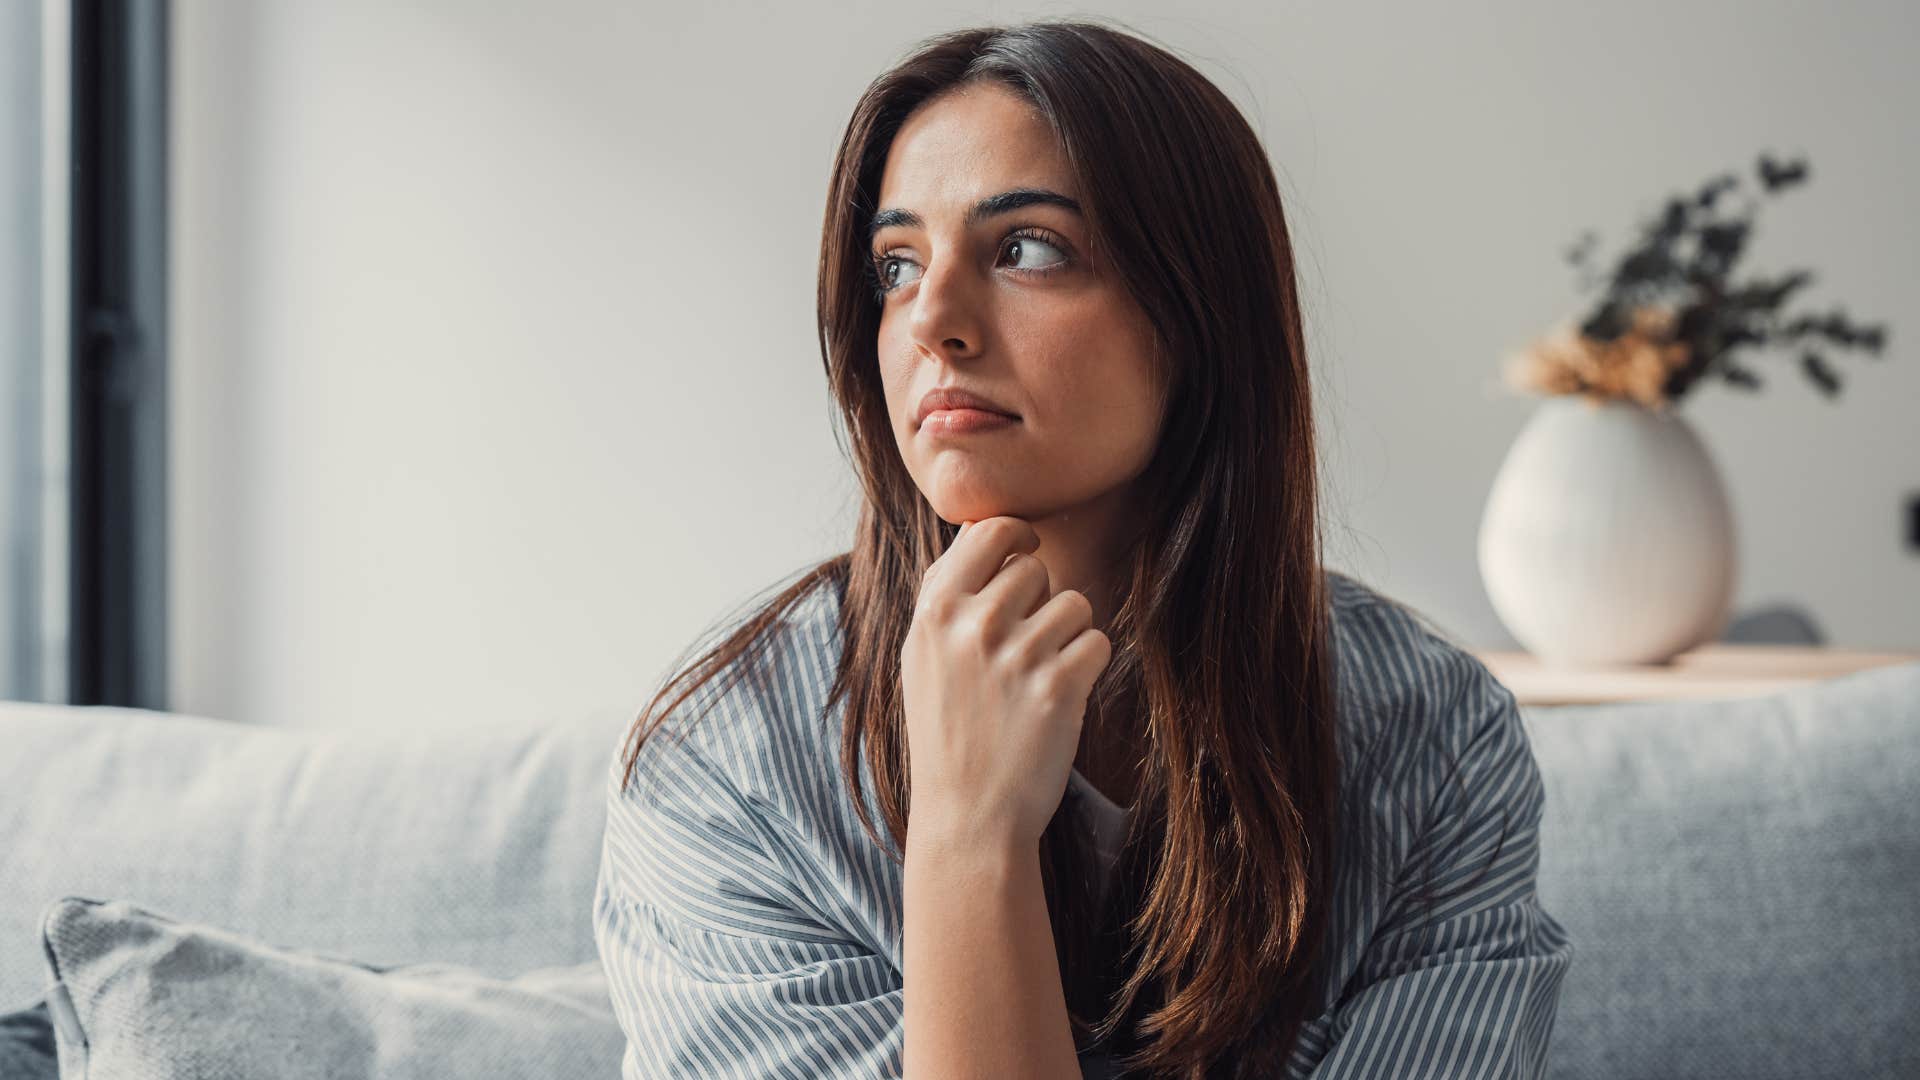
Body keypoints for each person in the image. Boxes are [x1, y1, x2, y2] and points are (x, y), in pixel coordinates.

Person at [593, 18, 1574, 1080]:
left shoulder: (1428, 745)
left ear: (1199, 316)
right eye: (896, 264)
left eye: (1027, 249)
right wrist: (970, 839)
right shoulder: (728, 769)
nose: (934, 322)